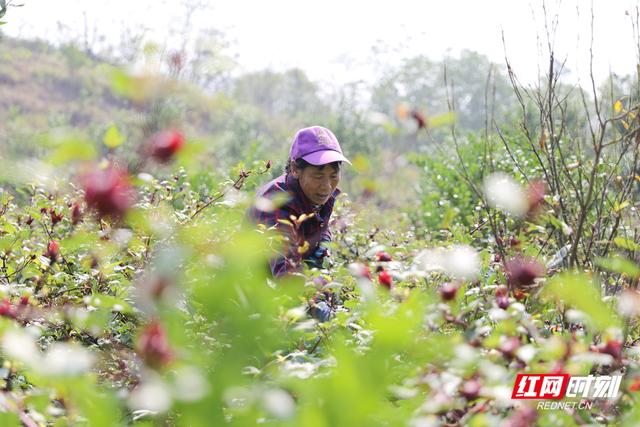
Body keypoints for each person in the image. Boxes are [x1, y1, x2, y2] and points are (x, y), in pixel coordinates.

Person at [249, 126, 350, 277]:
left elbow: (320, 226)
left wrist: (323, 243)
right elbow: (286, 278)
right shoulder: (275, 203)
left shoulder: (315, 195)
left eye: (333, 176)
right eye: (318, 176)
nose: (327, 186)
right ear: (295, 169)